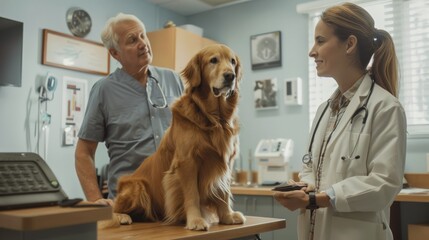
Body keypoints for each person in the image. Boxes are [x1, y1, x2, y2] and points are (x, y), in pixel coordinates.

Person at [273, 2, 406, 240]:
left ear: (350, 44)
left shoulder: (385, 107)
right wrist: (304, 188)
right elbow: (310, 167)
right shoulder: (325, 110)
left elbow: (384, 185)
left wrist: (316, 200)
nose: (312, 51)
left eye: (320, 41)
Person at [75, 13, 184, 206]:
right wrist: (96, 200)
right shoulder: (104, 90)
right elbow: (84, 152)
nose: (143, 43)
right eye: (133, 40)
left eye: (143, 35)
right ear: (115, 53)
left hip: (176, 201)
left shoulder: (172, 79)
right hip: (131, 203)